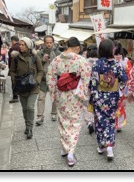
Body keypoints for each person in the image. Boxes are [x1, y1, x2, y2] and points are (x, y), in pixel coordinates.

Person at [46, 37, 91, 167]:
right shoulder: (81, 60)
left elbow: (50, 77)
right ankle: (70, 152)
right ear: (76, 47)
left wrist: (53, 94)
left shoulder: (56, 60)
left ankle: (64, 148)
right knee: (75, 122)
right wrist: (83, 95)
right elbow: (87, 78)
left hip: (61, 94)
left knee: (63, 121)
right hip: (75, 94)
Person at [89, 39, 128, 161]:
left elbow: (93, 82)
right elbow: (124, 79)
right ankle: (109, 145)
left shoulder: (97, 64)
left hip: (100, 97)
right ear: (112, 50)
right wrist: (118, 90)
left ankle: (102, 145)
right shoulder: (117, 64)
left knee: (100, 121)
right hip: (112, 98)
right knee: (111, 121)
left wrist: (93, 97)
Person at [9, 37, 43, 139]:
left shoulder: (34, 57)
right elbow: (12, 71)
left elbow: (40, 70)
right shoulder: (15, 58)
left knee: (30, 107)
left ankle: (30, 128)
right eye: (20, 44)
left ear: (28, 46)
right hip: (21, 88)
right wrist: (16, 80)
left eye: (23, 44)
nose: (20, 46)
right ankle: (27, 125)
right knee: (24, 109)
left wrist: (37, 81)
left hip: (33, 87)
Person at [36, 36, 61, 125]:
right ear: (44, 43)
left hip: (54, 79)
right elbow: (36, 66)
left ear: (53, 43)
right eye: (47, 42)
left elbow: (61, 66)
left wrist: (54, 62)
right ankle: (40, 116)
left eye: (50, 42)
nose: (49, 44)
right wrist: (42, 61)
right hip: (43, 79)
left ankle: (53, 113)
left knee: (54, 98)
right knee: (41, 98)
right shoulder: (39, 53)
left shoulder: (58, 53)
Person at [113, 40, 132, 132]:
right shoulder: (109, 61)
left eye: (119, 54)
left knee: (121, 106)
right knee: (113, 105)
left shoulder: (126, 61)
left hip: (122, 87)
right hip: (112, 86)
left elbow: (130, 74)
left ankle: (119, 124)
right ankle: (113, 123)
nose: (117, 56)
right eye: (115, 54)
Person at [85, 43, 98, 134]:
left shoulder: (84, 62)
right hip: (97, 87)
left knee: (87, 105)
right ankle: (96, 121)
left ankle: (89, 122)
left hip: (86, 87)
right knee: (96, 105)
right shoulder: (100, 62)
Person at [8, 36, 20, 103]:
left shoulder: (12, 48)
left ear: (12, 41)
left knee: (14, 83)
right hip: (20, 68)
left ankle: (15, 97)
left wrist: (10, 69)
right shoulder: (21, 47)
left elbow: (10, 60)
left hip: (14, 68)